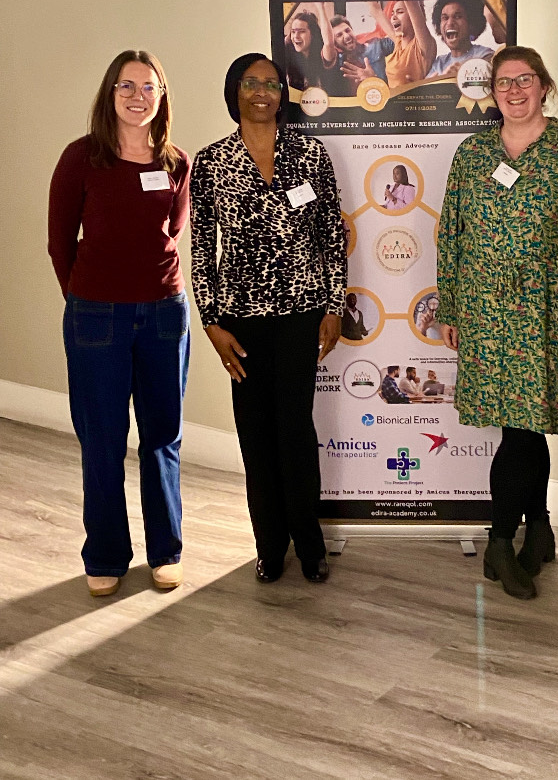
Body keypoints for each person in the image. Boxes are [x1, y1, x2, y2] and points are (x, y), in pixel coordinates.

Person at [437, 46, 558, 599]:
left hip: (548, 310)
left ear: (543, 85)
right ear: (492, 90)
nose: (513, 91)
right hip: (486, 308)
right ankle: (523, 536)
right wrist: (452, 307)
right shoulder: (472, 152)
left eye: (524, 80)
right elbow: (451, 235)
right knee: (521, 426)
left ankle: (507, 539)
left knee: (529, 424)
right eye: (503, 82)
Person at [190, 54, 347, 585]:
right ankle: (268, 545)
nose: (262, 91)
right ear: (234, 90)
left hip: (302, 315)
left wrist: (332, 304)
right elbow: (201, 247)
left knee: (296, 431)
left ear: (284, 94)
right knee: (255, 436)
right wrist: (211, 322)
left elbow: (331, 235)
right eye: (251, 82)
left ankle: (310, 544)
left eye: (272, 84)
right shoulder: (211, 162)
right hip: (242, 323)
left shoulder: (310, 153)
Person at [48, 50, 191, 597]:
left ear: (162, 96)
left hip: (163, 314)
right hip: (96, 319)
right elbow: (60, 242)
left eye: (148, 87)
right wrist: (85, 297)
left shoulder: (176, 162)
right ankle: (105, 552)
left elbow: (171, 235)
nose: (137, 97)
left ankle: (166, 551)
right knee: (102, 440)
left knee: (163, 438)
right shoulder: (82, 158)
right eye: (126, 87)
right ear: (110, 94)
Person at [427, 0, 494, 79]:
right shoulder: (439, 63)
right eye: (445, 18)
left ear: (471, 24)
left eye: (457, 17)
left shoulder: (485, 55)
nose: (450, 23)